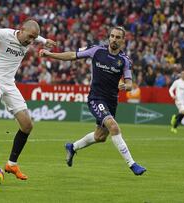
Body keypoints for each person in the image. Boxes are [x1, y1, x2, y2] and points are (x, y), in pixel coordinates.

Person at [39, 26, 146, 176]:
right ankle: (132, 164)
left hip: (111, 101)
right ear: (109, 37)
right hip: (96, 98)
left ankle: (72, 147)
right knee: (113, 127)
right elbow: (72, 55)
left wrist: (125, 86)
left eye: (117, 37)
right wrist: (51, 54)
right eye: (112, 36)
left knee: (100, 137)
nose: (114, 39)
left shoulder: (124, 61)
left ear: (123, 41)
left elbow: (129, 83)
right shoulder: (97, 51)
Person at [0, 18, 56, 180]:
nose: (30, 41)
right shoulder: (4, 35)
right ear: (21, 30)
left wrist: (44, 41)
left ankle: (11, 164)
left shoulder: (30, 39)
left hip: (9, 83)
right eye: (29, 37)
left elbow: (35, 36)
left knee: (27, 125)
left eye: (33, 39)